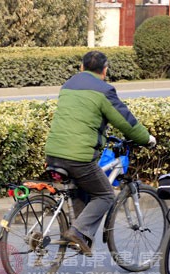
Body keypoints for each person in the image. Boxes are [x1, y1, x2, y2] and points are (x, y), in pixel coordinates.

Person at [44, 50, 156, 257]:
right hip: (78, 157)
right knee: (105, 194)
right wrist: (146, 138)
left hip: (52, 152)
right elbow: (125, 121)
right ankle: (77, 231)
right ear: (105, 70)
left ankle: (76, 237)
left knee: (82, 189)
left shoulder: (68, 86)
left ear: (81, 67)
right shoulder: (104, 90)